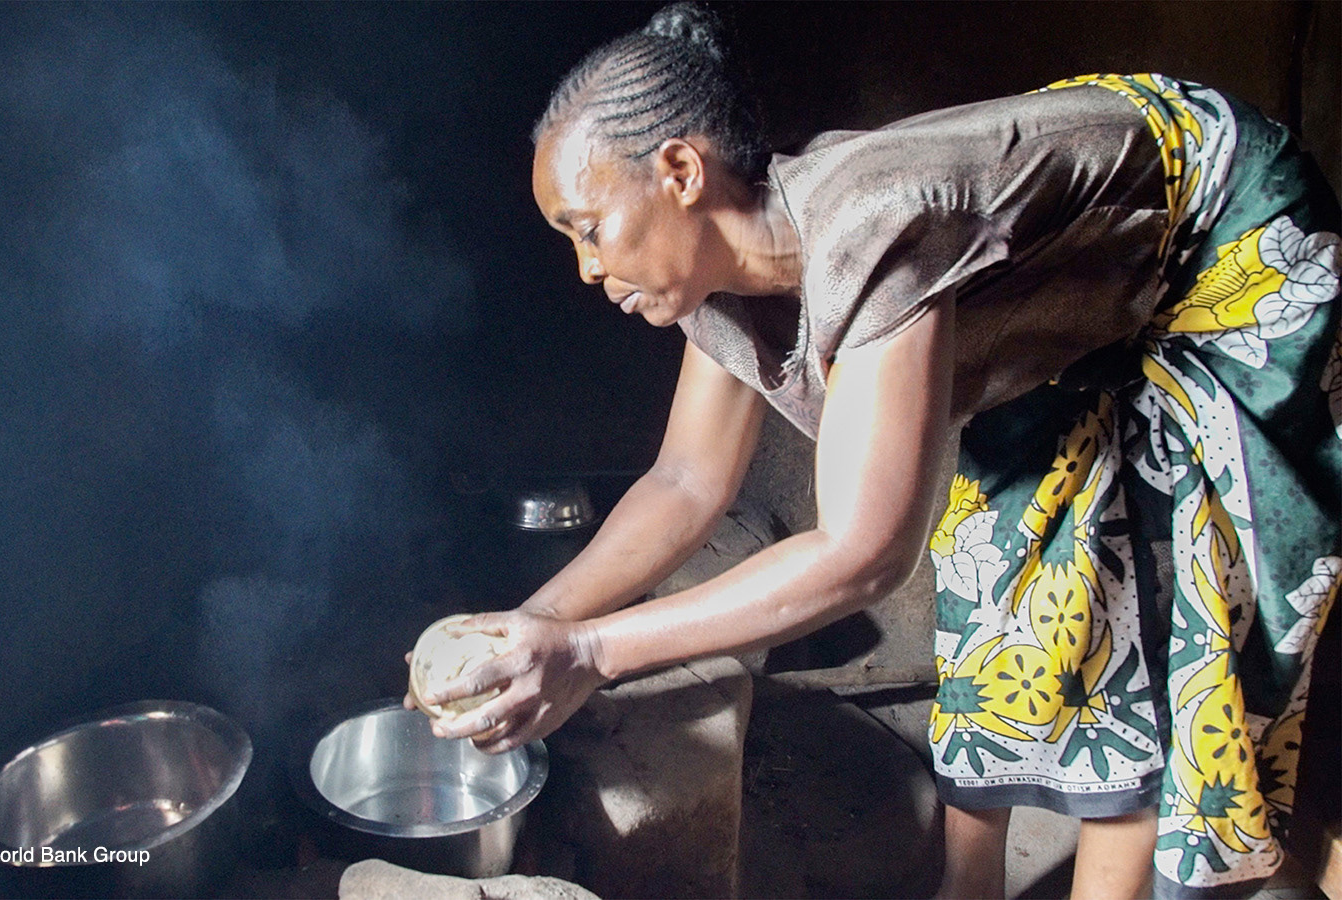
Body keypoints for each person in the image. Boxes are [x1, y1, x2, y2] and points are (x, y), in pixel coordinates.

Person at [414, 4, 1341, 897]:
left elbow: (862, 555)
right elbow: (685, 480)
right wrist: (524, 629)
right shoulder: (722, 273)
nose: (584, 266)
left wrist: (588, 652)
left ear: (680, 172)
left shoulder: (873, 228)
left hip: (1226, 238)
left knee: (1160, 605)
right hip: (1084, 301)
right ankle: (968, 888)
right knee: (1002, 559)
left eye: (589, 227)